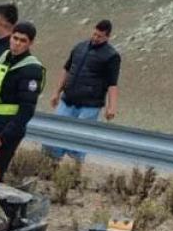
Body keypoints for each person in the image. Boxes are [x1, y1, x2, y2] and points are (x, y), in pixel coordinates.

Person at [0, 22, 46, 183]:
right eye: (15, 38)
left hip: (6, 132)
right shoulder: (3, 58)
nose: (17, 43)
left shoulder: (31, 69)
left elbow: (27, 110)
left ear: (30, 43)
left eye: (22, 40)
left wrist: (3, 136)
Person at [45, 19, 122, 161]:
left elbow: (112, 84)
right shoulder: (79, 47)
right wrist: (56, 92)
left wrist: (112, 107)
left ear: (107, 37)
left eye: (100, 36)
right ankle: (51, 166)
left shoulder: (112, 56)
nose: (95, 38)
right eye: (94, 34)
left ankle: (74, 172)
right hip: (68, 99)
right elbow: (67, 70)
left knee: (78, 142)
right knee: (54, 135)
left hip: (90, 105)